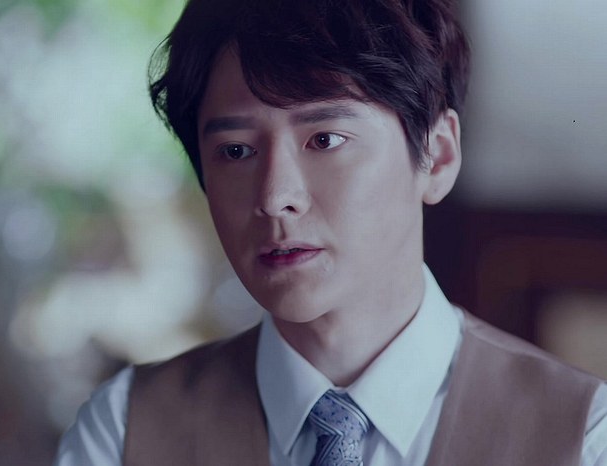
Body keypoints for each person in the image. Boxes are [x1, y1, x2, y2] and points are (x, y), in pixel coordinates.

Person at [54, 0, 607, 464]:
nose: (275, 197)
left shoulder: (582, 438)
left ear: (437, 156)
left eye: (325, 140)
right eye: (236, 151)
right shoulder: (125, 432)